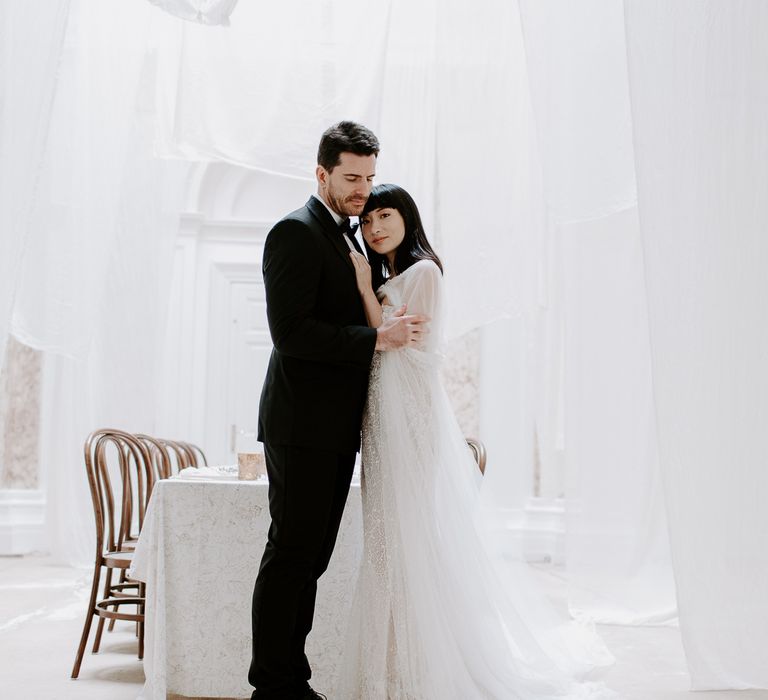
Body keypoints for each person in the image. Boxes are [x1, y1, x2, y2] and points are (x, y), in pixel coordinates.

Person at [339, 183, 617, 699]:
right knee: (386, 538)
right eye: (369, 220)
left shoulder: (424, 273)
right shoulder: (394, 278)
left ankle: (420, 662)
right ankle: (395, 658)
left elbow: (396, 345)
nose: (375, 228)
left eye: (385, 215)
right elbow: (382, 337)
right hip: (383, 416)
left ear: (407, 218)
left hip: (410, 414)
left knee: (409, 536)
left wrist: (362, 290)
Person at [250, 125, 428, 700]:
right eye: (352, 178)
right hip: (301, 423)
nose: (363, 190)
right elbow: (291, 333)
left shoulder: (348, 238)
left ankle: (290, 682)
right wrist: (377, 340)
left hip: (333, 428)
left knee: (311, 560)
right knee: (292, 557)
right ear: (321, 173)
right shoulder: (295, 233)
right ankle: (273, 688)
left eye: (370, 178)